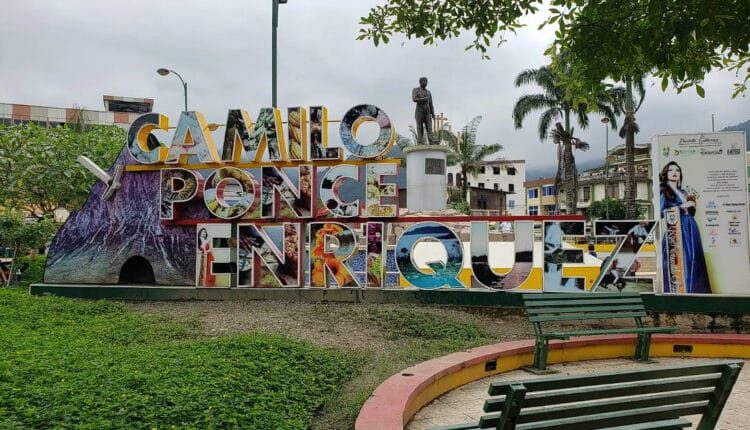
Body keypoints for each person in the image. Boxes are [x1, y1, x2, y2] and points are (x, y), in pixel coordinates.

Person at [659, 161, 711, 294]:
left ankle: (695, 290)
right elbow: (662, 212)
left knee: (693, 257)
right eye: (671, 170)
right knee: (680, 258)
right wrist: (683, 206)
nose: (675, 172)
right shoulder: (664, 191)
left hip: (691, 226)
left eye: (677, 170)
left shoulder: (683, 191)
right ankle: (680, 290)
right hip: (676, 228)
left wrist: (692, 205)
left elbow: (690, 212)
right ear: (666, 173)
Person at [412, 77, 435, 145]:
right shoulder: (415, 90)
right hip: (419, 110)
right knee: (420, 127)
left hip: (427, 111)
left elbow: (431, 103)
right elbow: (414, 99)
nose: (426, 83)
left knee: (429, 127)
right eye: (424, 81)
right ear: (421, 82)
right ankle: (420, 141)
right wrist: (423, 99)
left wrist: (433, 113)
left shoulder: (428, 92)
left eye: (426, 81)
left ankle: (431, 141)